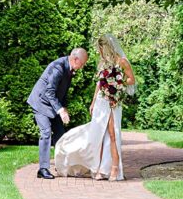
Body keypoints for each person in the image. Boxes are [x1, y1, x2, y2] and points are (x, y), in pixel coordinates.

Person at [53, 34, 137, 181]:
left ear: (107, 47)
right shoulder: (103, 63)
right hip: (101, 101)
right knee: (98, 134)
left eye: (101, 49)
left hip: (113, 102)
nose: (100, 52)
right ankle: (97, 167)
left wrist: (118, 84)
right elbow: (99, 83)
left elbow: (131, 79)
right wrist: (93, 102)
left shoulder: (122, 61)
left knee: (112, 134)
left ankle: (112, 168)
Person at [27, 47, 89, 179]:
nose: (82, 67)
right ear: (75, 59)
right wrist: (60, 110)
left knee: (61, 135)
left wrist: (63, 107)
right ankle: (42, 169)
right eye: (82, 63)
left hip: (53, 105)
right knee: (46, 132)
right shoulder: (58, 67)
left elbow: (62, 92)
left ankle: (61, 165)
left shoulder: (69, 68)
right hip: (40, 102)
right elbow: (49, 91)